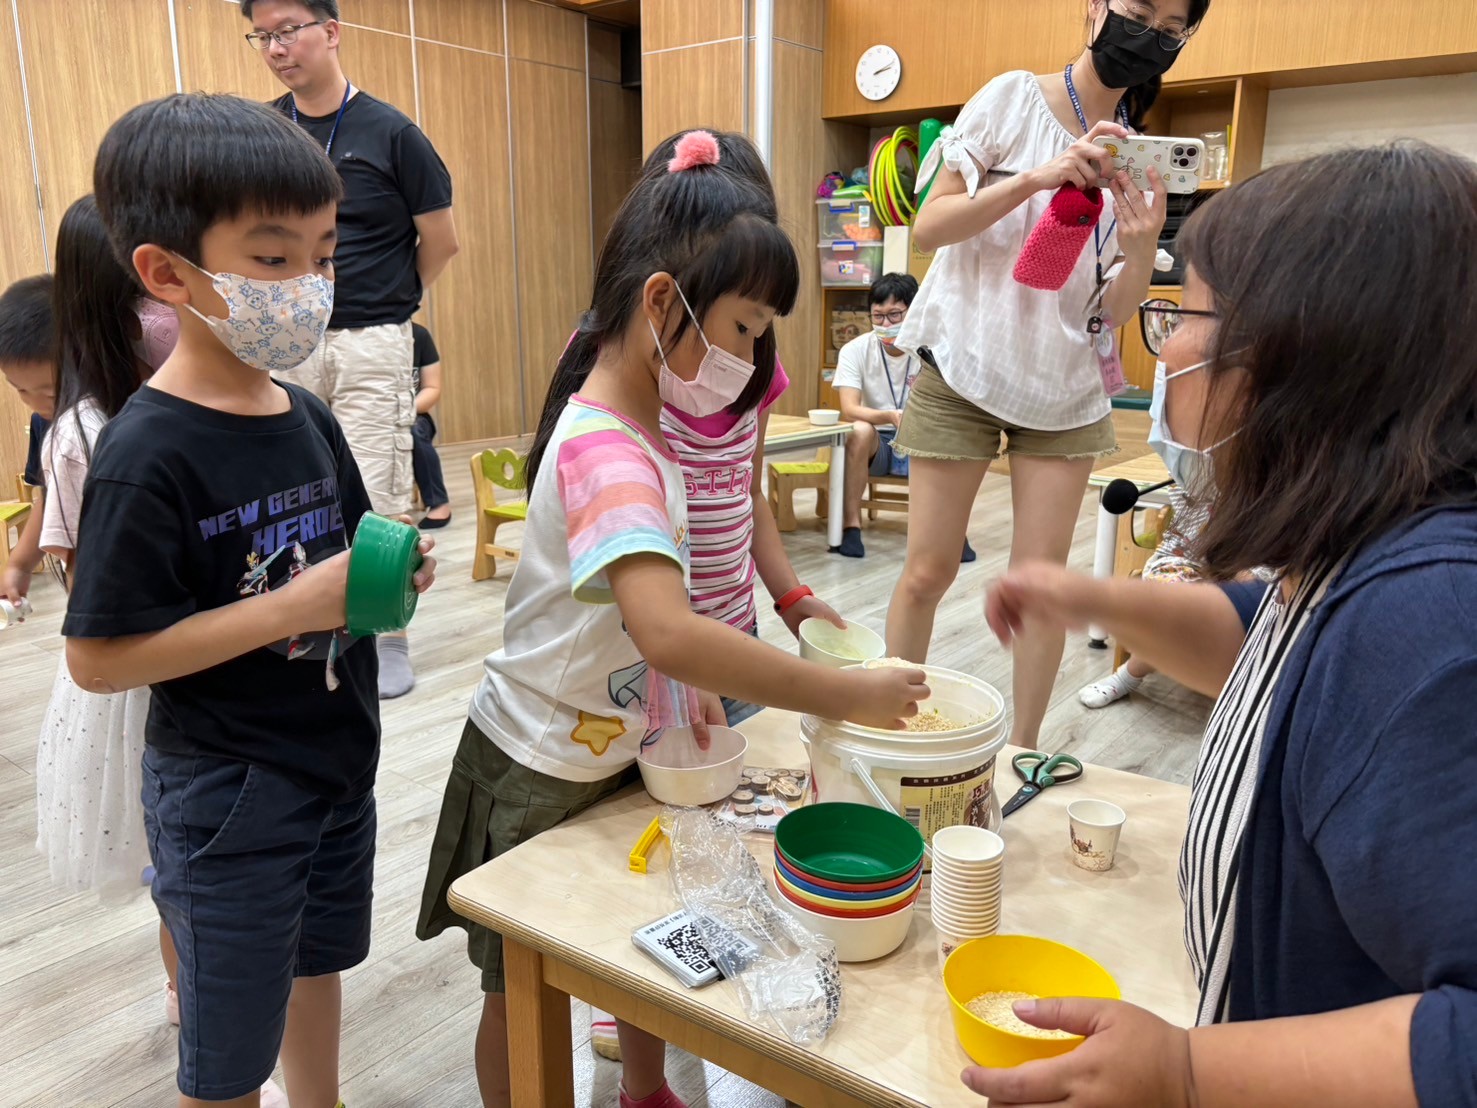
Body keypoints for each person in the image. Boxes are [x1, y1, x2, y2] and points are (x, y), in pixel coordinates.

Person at [416, 129, 927, 1108]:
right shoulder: (608, 446)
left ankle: (643, 1087)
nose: (748, 357)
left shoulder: (643, 424)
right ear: (661, 301)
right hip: (538, 760)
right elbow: (668, 628)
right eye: (741, 328)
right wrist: (844, 689)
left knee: (639, 929)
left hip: (622, 742)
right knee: (516, 989)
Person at [972, 142, 1477, 1106]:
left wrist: (1188, 1071)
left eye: (1182, 312)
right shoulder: (1362, 558)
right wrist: (1094, 597)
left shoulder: (1425, 625)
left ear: (1303, 353)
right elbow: (1272, 652)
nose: (1161, 352)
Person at [68, 92, 437, 1108]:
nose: (311, 287)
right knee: (227, 1042)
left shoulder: (308, 415)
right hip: (229, 794)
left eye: (323, 256)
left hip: (333, 760)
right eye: (276, 261)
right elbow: (100, 658)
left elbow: (349, 562)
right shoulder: (147, 452)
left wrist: (390, 576)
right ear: (166, 272)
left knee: (317, 968)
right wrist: (289, 608)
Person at [884, 0, 1209, 749]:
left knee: (1038, 591)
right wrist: (1038, 177)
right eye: (1137, 10)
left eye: (1170, 26)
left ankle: (1022, 754)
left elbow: (1116, 310)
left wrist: (1142, 241)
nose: (1148, 32)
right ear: (1095, 7)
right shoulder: (1010, 97)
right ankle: (892, 734)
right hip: (961, 359)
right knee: (926, 573)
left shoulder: (1137, 157)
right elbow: (930, 226)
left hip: (1058, 385)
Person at [588, 129, 847, 1064]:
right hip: (661, 651)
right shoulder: (635, 385)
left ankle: (707, 979)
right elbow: (627, 563)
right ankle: (627, 996)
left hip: (729, 636)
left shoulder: (746, 363)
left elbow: (745, 490)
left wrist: (791, 596)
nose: (751, 339)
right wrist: (679, 660)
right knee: (657, 832)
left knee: (722, 832)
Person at [245, 0, 459, 698]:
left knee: (378, 485)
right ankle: (304, 620)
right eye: (263, 36)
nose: (277, 47)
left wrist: (390, 304)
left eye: (289, 30)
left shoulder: (392, 131)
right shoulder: (266, 131)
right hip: (286, 338)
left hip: (372, 339)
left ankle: (387, 634)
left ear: (331, 32)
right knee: (290, 484)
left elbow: (441, 240)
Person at [832, 273, 977, 562]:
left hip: (923, 437)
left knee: (955, 441)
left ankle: (955, 534)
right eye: (878, 316)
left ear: (914, 312)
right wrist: (888, 415)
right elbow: (849, 407)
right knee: (859, 431)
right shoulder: (855, 349)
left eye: (895, 314)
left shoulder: (932, 350)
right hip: (881, 440)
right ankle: (851, 527)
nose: (886, 324)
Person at [1077, 486, 1207, 707]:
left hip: (1255, 563)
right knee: (1175, 606)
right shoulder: (1198, 471)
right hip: (1187, 557)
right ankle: (1128, 676)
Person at [0, 275, 56, 610]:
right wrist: (19, 563)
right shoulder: (44, 422)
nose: (35, 403)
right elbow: (48, 496)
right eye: (20, 389)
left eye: (49, 392)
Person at [409, 321, 451, 529]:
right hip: (369, 416)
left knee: (413, 431)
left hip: (414, 414)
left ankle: (438, 503)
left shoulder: (419, 335)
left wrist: (403, 411)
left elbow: (432, 388)